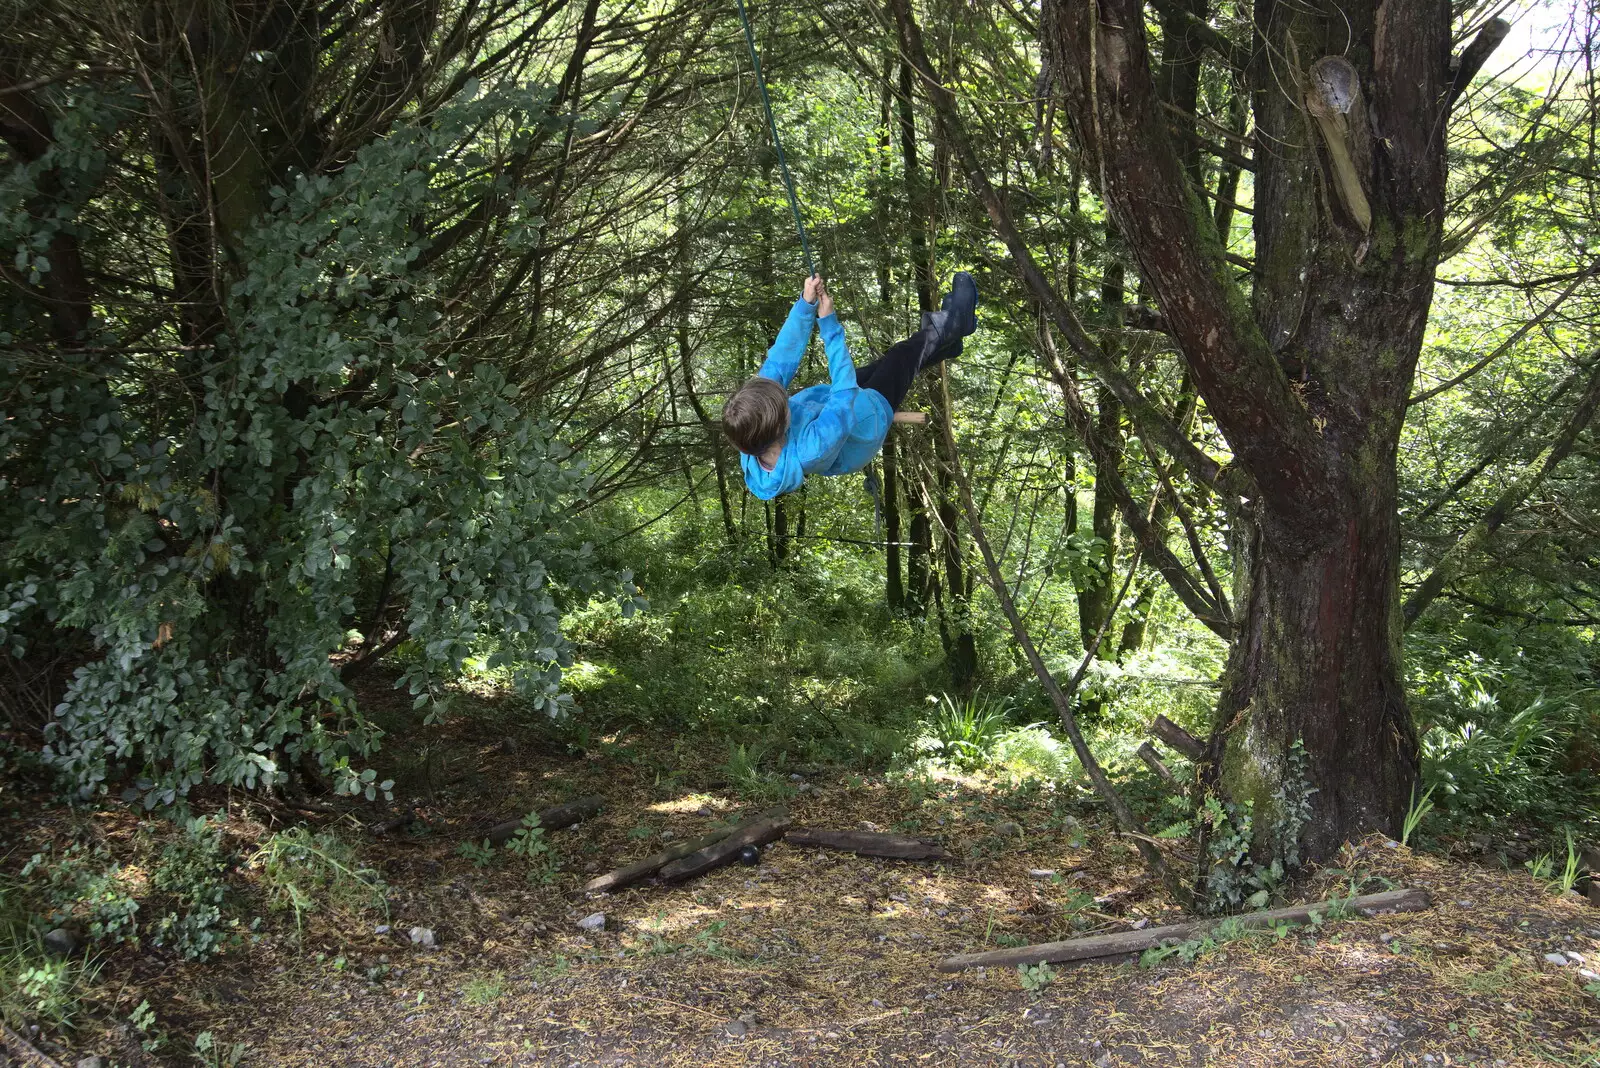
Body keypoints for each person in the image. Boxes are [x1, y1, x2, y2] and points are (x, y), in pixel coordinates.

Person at [722, 271, 979, 499]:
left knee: (897, 360)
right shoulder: (812, 449)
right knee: (902, 358)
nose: (786, 396)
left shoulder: (752, 427)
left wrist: (805, 304)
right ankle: (957, 322)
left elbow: (780, 360)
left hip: (831, 404)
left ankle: (948, 342)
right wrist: (828, 324)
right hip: (865, 422)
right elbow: (844, 392)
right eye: (785, 402)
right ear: (781, 425)